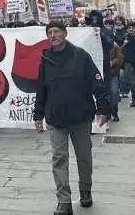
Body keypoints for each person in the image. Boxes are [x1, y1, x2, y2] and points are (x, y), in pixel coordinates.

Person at [33, 20, 109, 215]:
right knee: (59, 159)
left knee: (84, 158)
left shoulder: (80, 56)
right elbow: (41, 89)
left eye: (56, 31)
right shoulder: (45, 59)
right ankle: (64, 202)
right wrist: (38, 114)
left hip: (80, 117)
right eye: (49, 32)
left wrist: (103, 109)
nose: (52, 35)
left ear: (65, 33)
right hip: (55, 118)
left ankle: (85, 191)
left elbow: (97, 83)